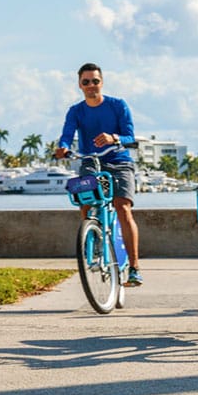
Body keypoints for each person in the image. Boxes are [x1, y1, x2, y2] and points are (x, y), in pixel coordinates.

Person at [55, 63, 143, 286]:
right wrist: (63, 147)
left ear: (101, 82)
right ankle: (92, 237)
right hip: (89, 162)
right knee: (84, 202)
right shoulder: (76, 111)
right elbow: (66, 135)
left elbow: (130, 136)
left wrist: (114, 138)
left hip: (119, 161)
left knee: (123, 208)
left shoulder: (118, 105)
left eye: (95, 81)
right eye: (86, 82)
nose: (91, 85)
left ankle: (134, 267)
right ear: (80, 85)